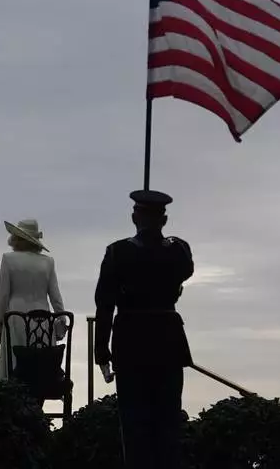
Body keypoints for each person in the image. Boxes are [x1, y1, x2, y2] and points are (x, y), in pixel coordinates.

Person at [94, 189, 195, 469]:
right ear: (164, 220)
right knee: (168, 423)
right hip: (168, 342)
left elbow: (105, 304)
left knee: (134, 424)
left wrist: (101, 350)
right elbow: (186, 270)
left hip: (131, 342)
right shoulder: (179, 251)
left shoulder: (117, 252)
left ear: (134, 218)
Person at [0, 218, 67, 380]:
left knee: (16, 363)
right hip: (43, 319)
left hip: (16, 317)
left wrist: (0, 322)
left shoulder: (8, 259)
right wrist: (62, 319)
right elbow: (55, 296)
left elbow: (3, 295)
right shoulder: (48, 262)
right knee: (41, 364)